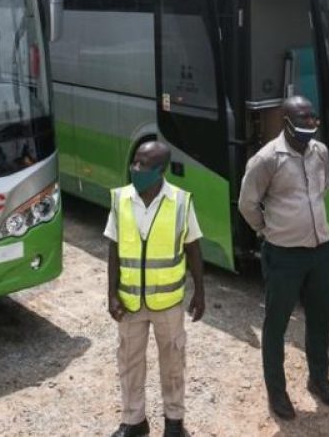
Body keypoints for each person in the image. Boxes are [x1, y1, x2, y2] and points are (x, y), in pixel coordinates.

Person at [238, 96, 329, 421]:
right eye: (303, 118)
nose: (311, 122)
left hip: (321, 251)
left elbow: (319, 192)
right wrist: (267, 231)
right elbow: (247, 204)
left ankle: (319, 379)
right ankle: (277, 392)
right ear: (286, 122)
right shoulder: (266, 159)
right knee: (277, 324)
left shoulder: (320, 152)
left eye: (313, 117)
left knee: (321, 319)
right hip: (283, 254)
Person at [106, 140, 205, 437]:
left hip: (168, 302)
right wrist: (111, 294)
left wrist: (200, 291)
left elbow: (194, 249)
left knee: (173, 362)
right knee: (129, 362)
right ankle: (134, 421)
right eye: (135, 161)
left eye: (143, 164)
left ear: (160, 170)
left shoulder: (180, 202)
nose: (135, 168)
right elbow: (113, 249)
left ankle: (174, 422)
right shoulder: (120, 199)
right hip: (129, 301)